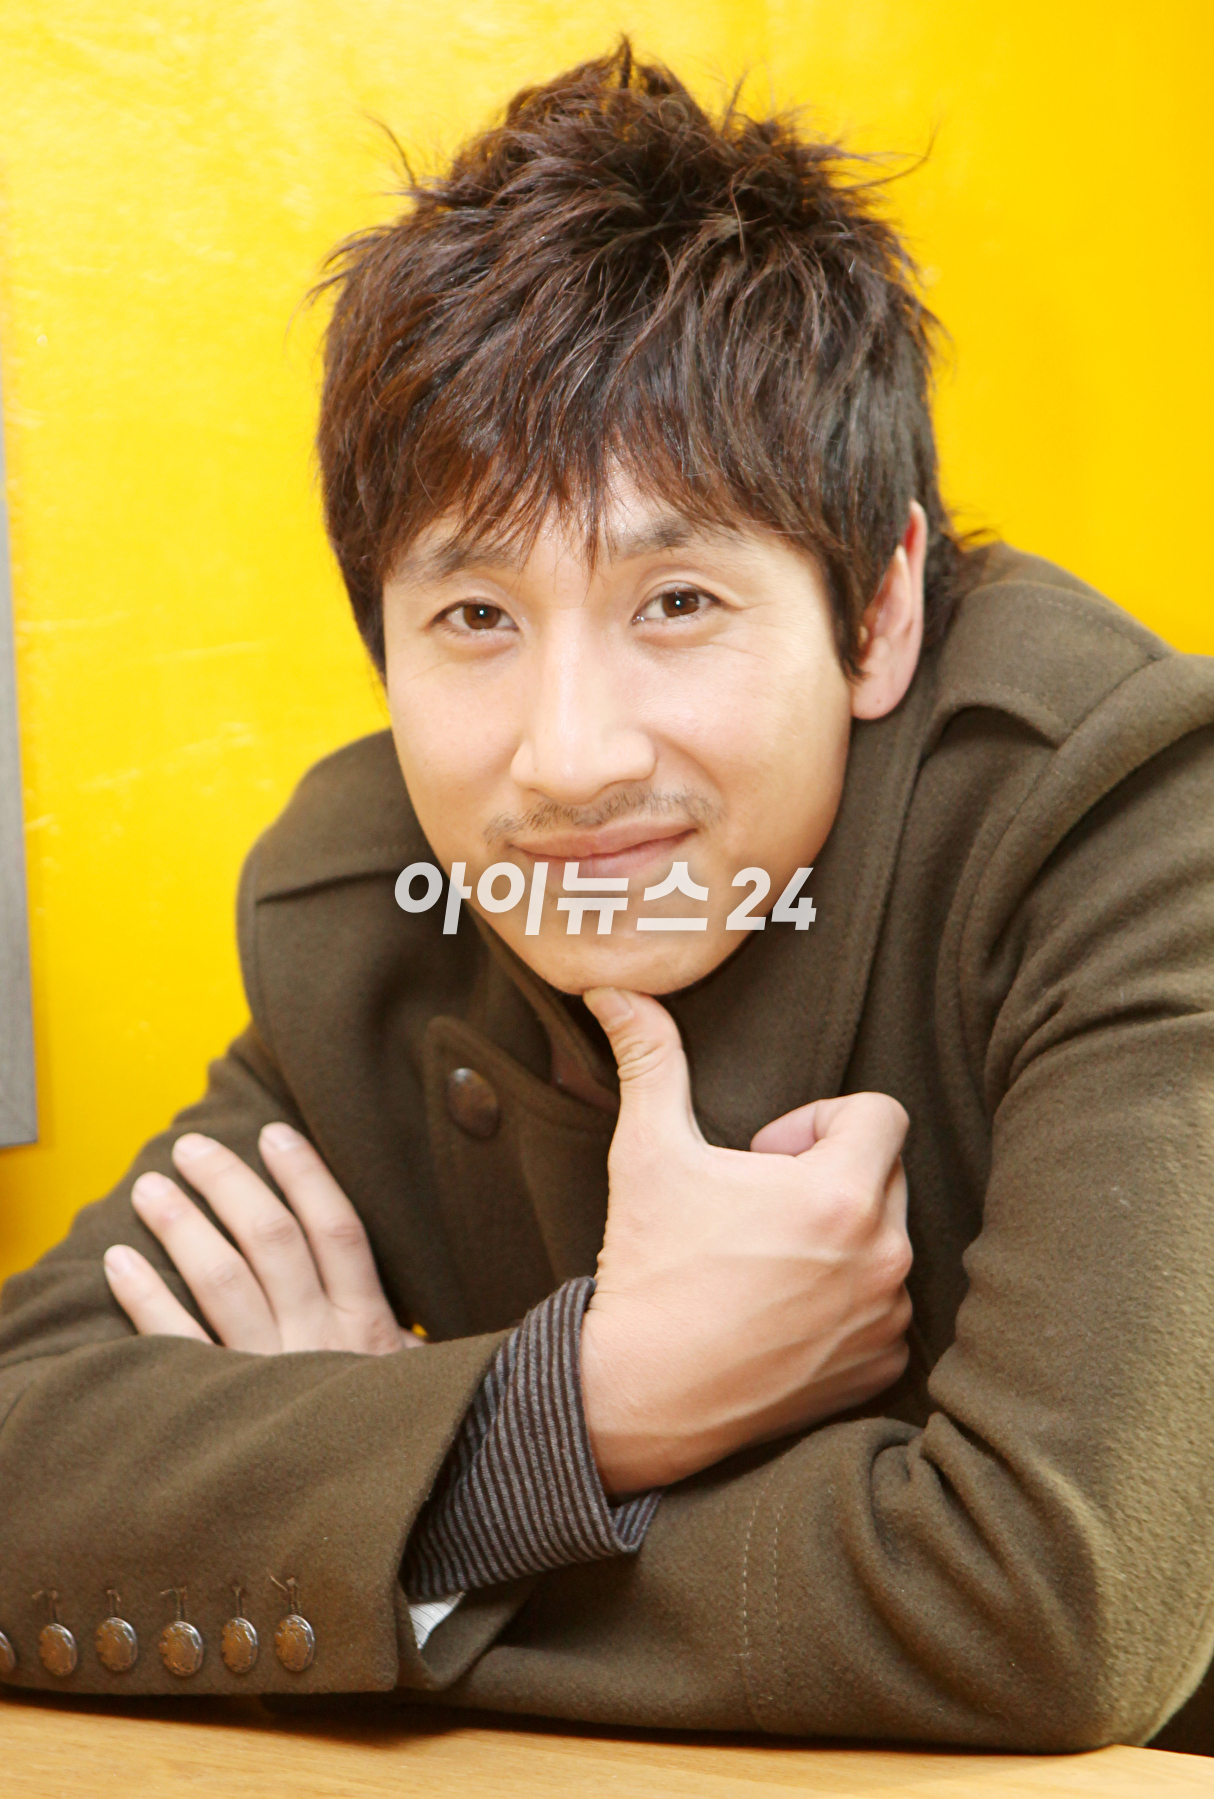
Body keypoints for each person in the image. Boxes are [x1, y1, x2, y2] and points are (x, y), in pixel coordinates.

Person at [2, 41, 1214, 1753]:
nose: (568, 760)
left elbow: (1049, 1607)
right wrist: (579, 1409)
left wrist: (396, 1503)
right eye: (475, 618)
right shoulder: (372, 909)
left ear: (878, 614)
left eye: (677, 601)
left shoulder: (1126, 815)